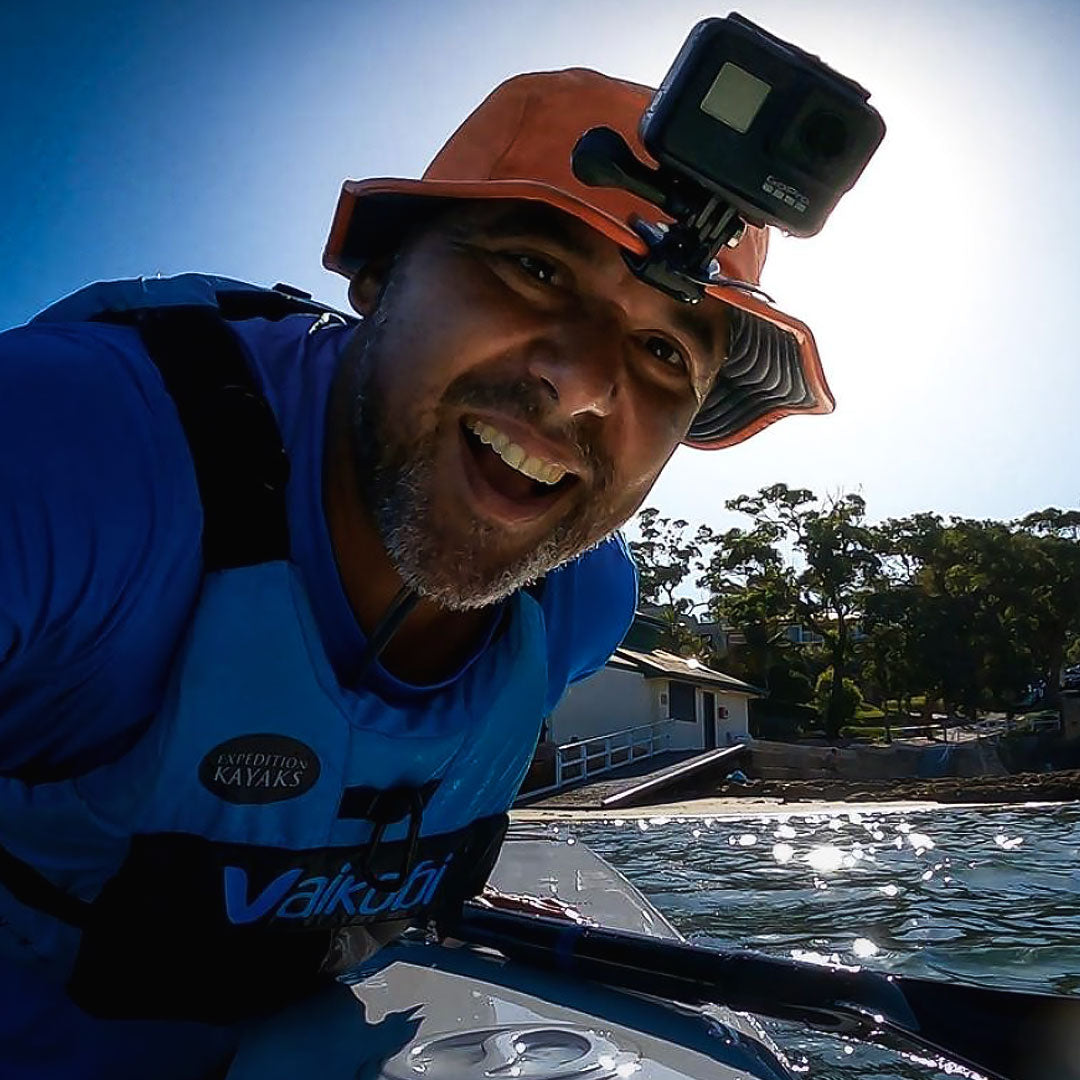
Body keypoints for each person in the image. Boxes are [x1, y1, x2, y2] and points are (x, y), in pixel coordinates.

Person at [0, 66, 834, 1079]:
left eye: (664, 349)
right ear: (382, 274)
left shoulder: (580, 598)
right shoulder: (69, 461)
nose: (579, 385)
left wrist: (423, 892)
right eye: (535, 268)